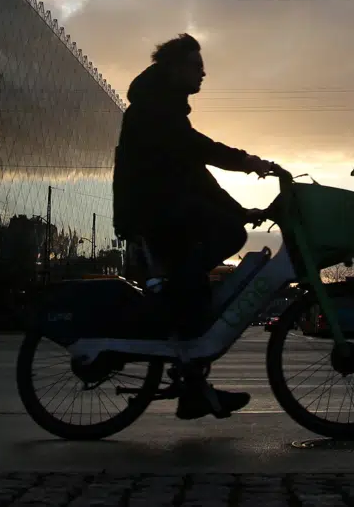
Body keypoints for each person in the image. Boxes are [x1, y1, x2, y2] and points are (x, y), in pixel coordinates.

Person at [113, 33, 280, 420]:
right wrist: (246, 162)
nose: (203, 73)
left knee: (203, 275)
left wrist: (239, 209)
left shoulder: (163, 106)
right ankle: (176, 302)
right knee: (226, 238)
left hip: (162, 208)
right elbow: (196, 151)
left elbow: (196, 175)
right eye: (196, 66)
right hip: (152, 211)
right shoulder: (154, 108)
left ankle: (192, 389)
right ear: (175, 68)